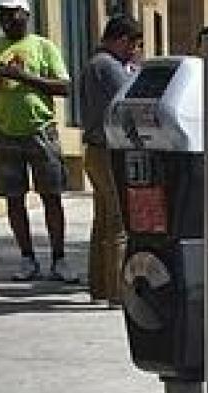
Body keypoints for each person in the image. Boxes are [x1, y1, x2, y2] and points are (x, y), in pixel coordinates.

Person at [0, 0, 74, 283]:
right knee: (13, 199)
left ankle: (59, 259)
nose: (6, 19)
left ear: (26, 15)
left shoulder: (43, 47)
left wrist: (24, 77)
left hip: (41, 131)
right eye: (2, 15)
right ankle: (27, 258)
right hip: (5, 133)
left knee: (51, 196)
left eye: (11, 13)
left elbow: (63, 87)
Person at [78, 14, 141, 307]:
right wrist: (137, 71)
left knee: (103, 220)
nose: (134, 51)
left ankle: (100, 286)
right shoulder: (107, 65)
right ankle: (117, 292)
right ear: (121, 39)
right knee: (117, 221)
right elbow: (133, 96)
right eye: (133, 44)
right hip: (107, 150)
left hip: (94, 149)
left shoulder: (94, 64)